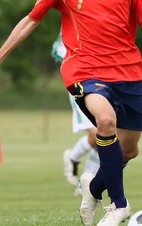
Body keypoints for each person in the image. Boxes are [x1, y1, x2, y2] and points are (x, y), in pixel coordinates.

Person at [0, 0, 142, 226]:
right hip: (85, 70)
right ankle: (119, 205)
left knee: (129, 150)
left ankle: (95, 187)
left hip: (128, 73)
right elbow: (31, 19)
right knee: (105, 121)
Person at [51, 32, 100, 195]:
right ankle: (73, 157)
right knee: (97, 135)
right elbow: (57, 50)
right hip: (80, 84)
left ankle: (84, 184)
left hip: (104, 82)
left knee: (108, 136)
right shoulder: (73, 18)